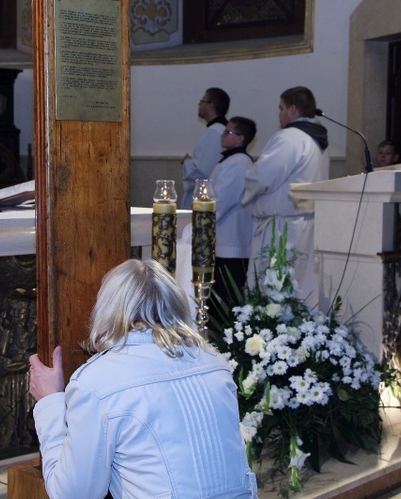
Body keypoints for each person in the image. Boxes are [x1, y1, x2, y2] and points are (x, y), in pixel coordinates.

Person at [29, 259, 257, 498]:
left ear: (107, 309)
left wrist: (50, 401)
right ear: (176, 305)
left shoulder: (96, 381)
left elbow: (73, 494)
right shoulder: (214, 363)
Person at [242, 86, 330, 309]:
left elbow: (261, 176)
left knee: (273, 291)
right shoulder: (318, 141)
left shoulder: (289, 138)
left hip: (281, 229)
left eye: (281, 108)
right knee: (300, 286)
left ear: (293, 109)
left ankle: (267, 338)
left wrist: (249, 176)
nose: (279, 114)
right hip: (307, 224)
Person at [210, 116, 256, 313]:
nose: (223, 135)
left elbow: (221, 201)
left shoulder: (239, 163)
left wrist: (201, 224)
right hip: (224, 241)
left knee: (227, 302)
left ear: (240, 138)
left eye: (228, 132)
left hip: (231, 244)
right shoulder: (233, 161)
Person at [180, 87, 230, 209]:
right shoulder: (220, 130)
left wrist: (187, 162)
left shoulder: (214, 133)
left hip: (204, 197)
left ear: (211, 106)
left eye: (201, 101)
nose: (199, 105)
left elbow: (202, 171)